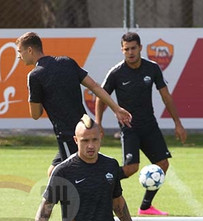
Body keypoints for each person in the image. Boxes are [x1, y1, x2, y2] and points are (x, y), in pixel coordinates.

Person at [16, 31, 133, 176]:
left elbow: (35, 114)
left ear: (29, 50)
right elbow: (94, 86)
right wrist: (116, 108)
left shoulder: (34, 76)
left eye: (19, 52)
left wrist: (33, 93)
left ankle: (108, 191)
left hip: (68, 134)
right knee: (54, 172)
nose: (18, 56)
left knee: (76, 178)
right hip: (86, 128)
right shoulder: (67, 62)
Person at [95, 31, 187, 216]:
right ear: (122, 50)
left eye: (133, 48)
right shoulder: (116, 73)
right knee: (130, 169)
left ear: (140, 48)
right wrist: (98, 123)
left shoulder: (152, 68)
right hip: (129, 128)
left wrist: (178, 123)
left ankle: (145, 207)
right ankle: (101, 184)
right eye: (126, 49)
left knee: (163, 164)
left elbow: (166, 96)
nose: (130, 52)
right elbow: (100, 98)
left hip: (149, 125)